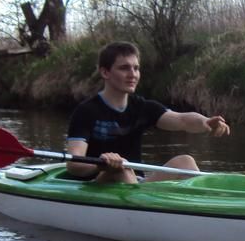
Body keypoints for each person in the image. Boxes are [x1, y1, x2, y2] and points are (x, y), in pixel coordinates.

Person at [65, 41, 230, 183]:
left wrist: (206, 122)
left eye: (136, 68)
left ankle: (200, 208)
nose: (133, 74)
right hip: (98, 184)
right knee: (121, 168)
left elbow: (182, 120)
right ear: (105, 72)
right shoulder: (86, 111)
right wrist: (100, 164)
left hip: (135, 183)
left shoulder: (143, 107)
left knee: (185, 162)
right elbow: (74, 164)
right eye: (124, 68)